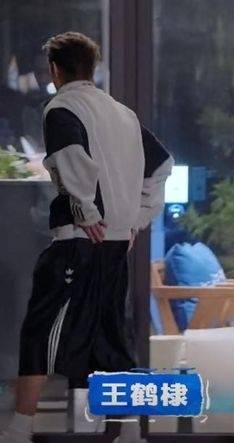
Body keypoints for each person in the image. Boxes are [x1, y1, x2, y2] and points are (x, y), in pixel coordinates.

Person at [0, 32, 173, 443]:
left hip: (77, 240)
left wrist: (86, 209)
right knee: (112, 336)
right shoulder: (124, 114)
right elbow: (161, 165)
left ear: (55, 70)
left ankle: (19, 429)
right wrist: (135, 220)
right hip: (114, 245)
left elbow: (70, 158)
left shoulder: (61, 107)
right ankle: (128, 433)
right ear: (91, 68)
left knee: (41, 330)